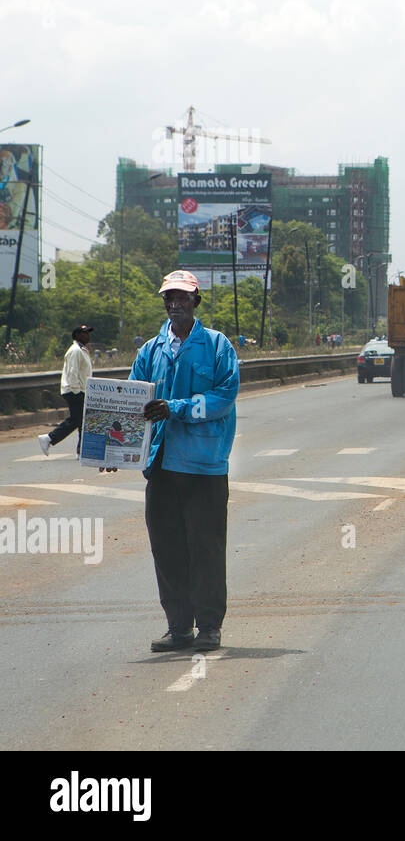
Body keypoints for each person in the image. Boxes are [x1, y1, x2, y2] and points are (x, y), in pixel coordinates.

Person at [111, 270, 240, 654]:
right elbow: (132, 403)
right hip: (162, 468)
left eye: (182, 297)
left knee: (206, 548)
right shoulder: (150, 351)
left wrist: (176, 408)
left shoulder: (217, 346)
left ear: (196, 301)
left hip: (204, 468)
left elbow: (224, 396)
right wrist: (112, 449)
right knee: (166, 549)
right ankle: (179, 626)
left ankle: (210, 627)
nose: (175, 303)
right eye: (169, 298)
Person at [38, 325, 94, 456]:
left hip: (79, 390)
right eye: (84, 333)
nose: (88, 336)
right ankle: (49, 438)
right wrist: (77, 391)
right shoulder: (75, 351)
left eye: (88, 333)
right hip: (74, 390)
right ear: (77, 336)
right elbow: (72, 372)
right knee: (78, 419)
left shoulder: (82, 350)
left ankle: (81, 451)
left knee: (82, 420)